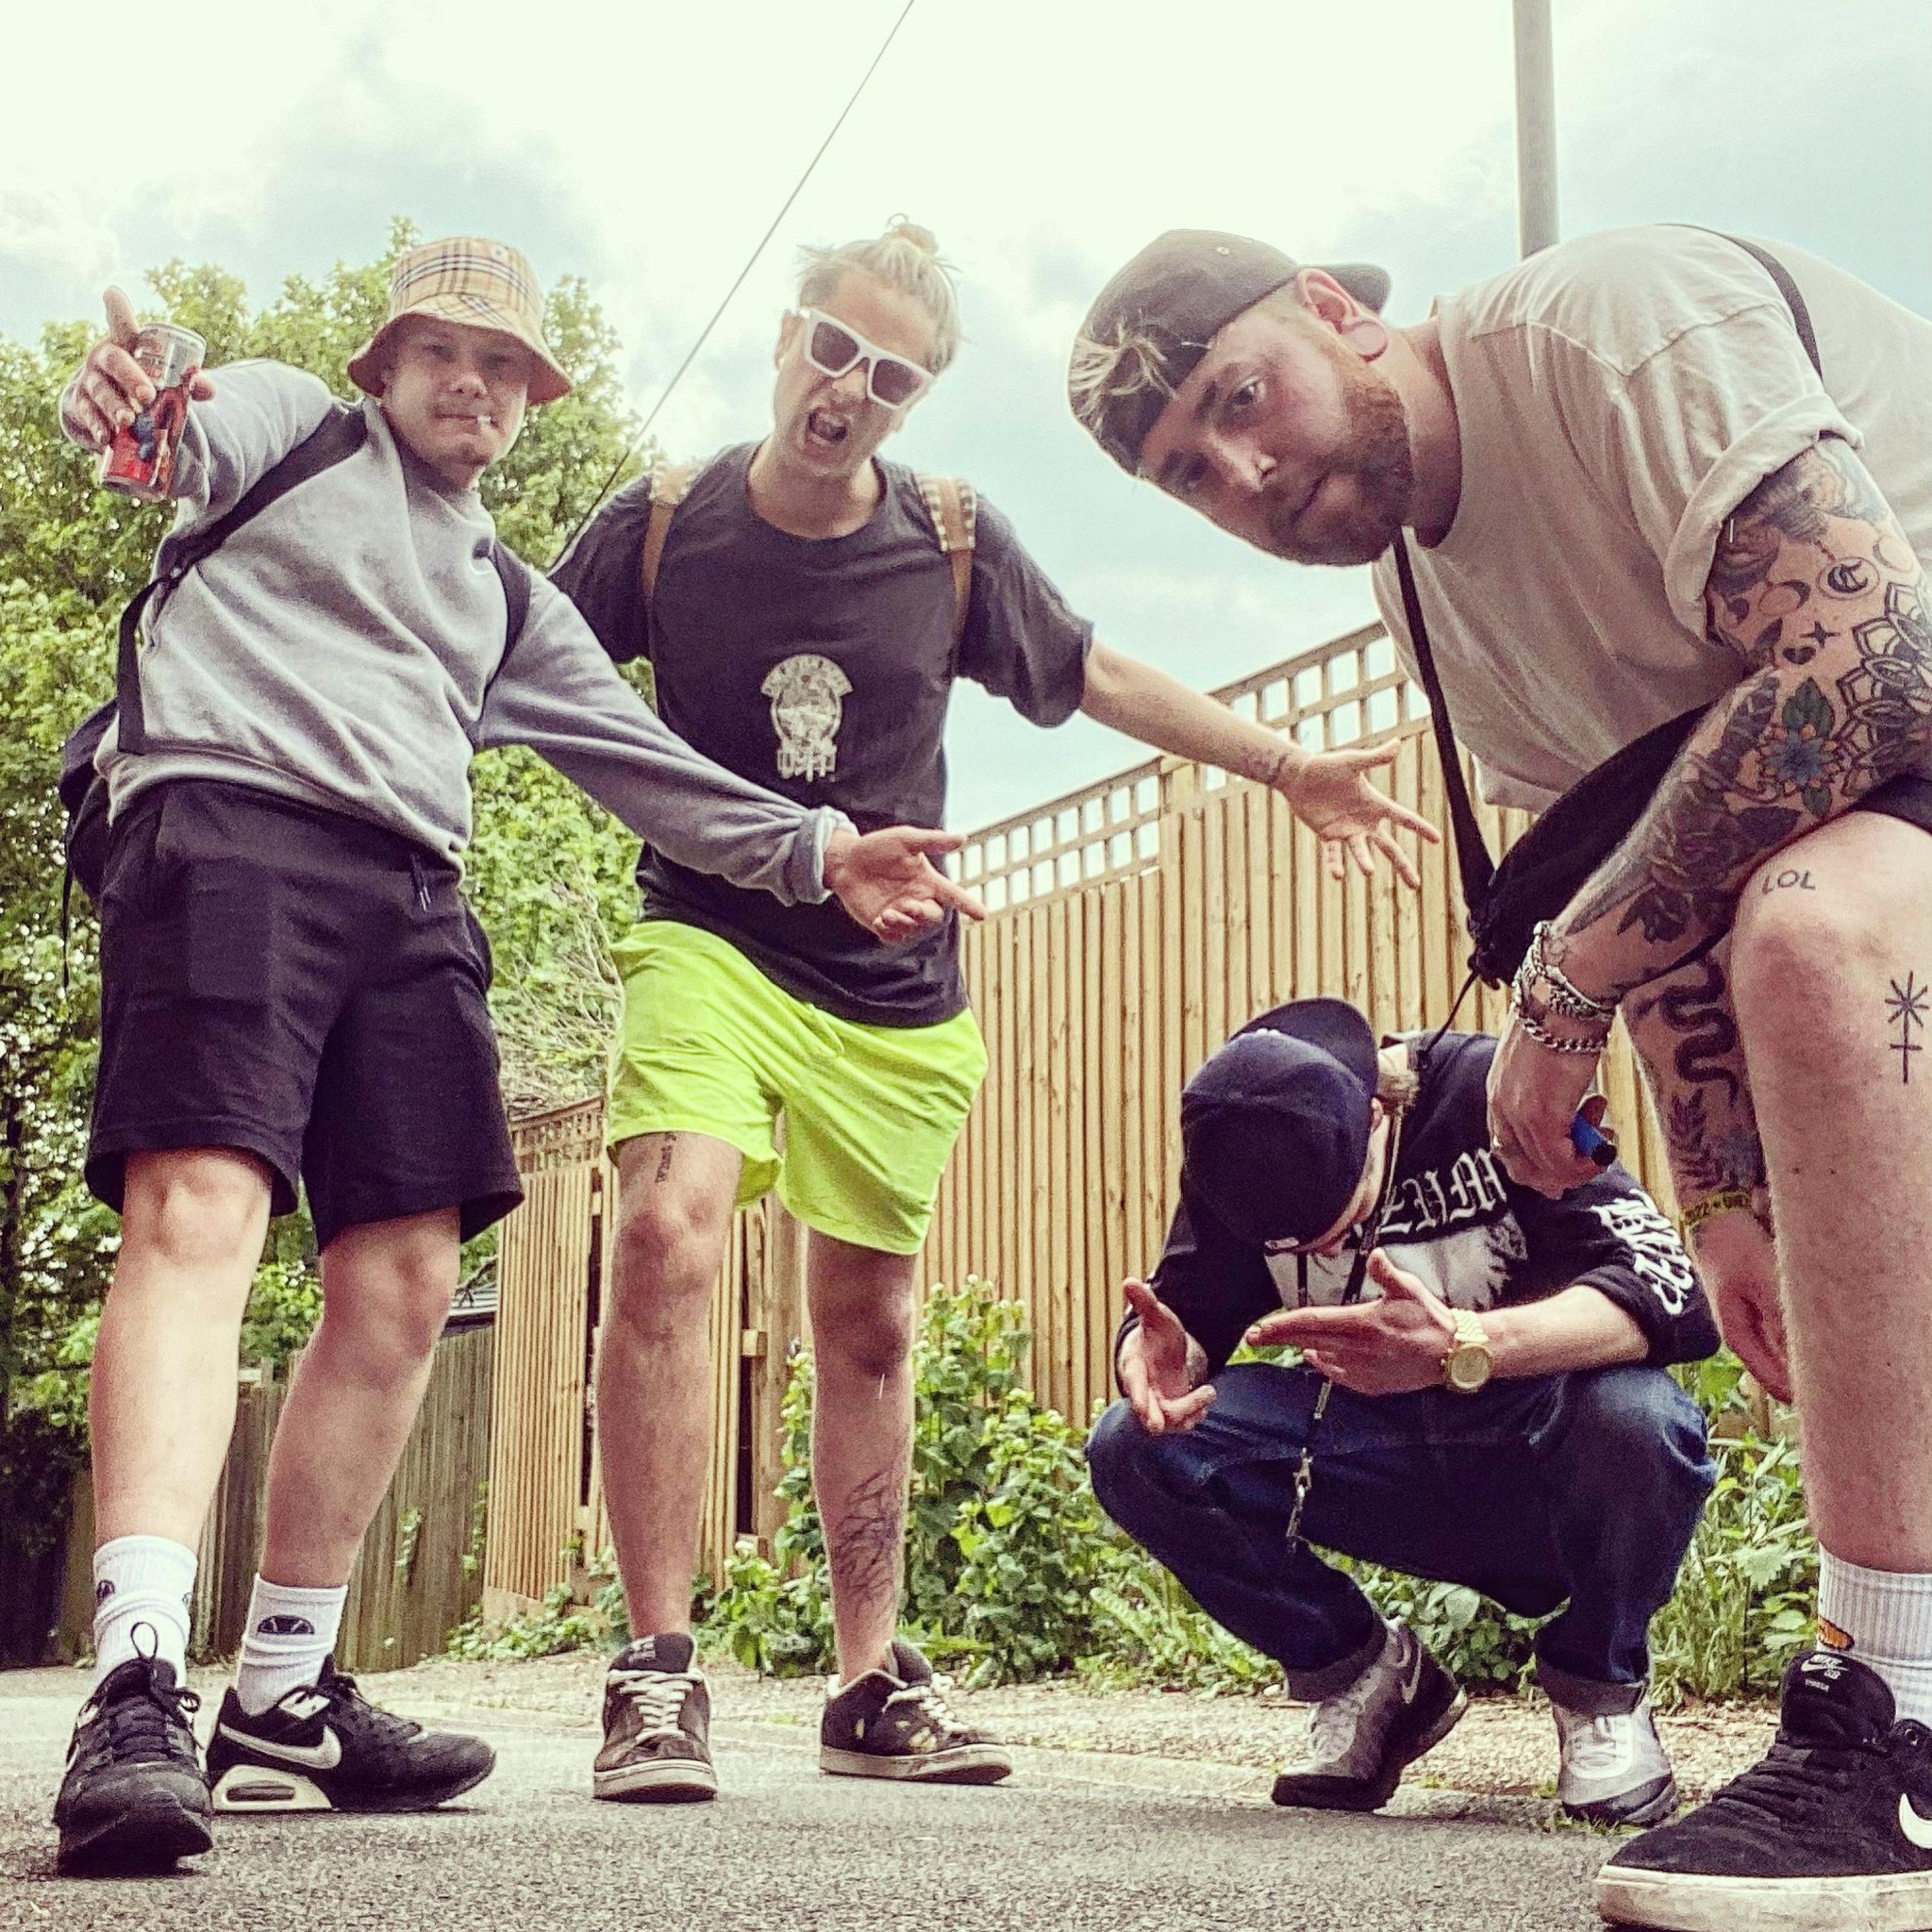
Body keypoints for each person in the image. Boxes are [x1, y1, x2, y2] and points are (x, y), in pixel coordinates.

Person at [50, 235, 975, 1876]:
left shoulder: (500, 593)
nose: (473, 384)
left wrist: (822, 851)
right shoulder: (287, 423)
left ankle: (281, 1691)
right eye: (444, 352)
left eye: (506, 368)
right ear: (384, 362)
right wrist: (136, 403)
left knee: (409, 1274)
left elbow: (643, 761)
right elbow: (170, 433)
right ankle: (134, 1678)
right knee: (203, 1208)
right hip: (226, 829)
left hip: (411, 890)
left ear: (530, 402)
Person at [1069, 223, 1932, 1929]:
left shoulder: (1606, 327)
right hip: (1835, 827)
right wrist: (1727, 1183)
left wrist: (1560, 985)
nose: (1244, 472)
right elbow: (1655, 840)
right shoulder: (1424, 604)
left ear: (1334, 309)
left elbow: (1868, 665)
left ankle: (1896, 1712)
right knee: (1779, 925)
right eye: (1187, 475)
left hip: (1899, 709)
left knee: (1807, 934)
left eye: (1240, 398)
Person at [551, 218, 1439, 1803]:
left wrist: (1286, 764)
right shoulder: (668, 522)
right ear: (787, 335)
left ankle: (866, 1676)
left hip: (895, 981)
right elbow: (518, 663)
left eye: (891, 377)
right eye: (834, 348)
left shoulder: (950, 540)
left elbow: (1094, 672)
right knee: (665, 1230)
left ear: (916, 399)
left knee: (871, 1323)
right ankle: (656, 1671)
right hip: (710, 931)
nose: (849, 390)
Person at [1087, 996, 1717, 1824]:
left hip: (1538, 1445)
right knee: (1134, 1446)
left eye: (1339, 1225)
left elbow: (1675, 1297)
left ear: (1379, 1118)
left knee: (1641, 1419)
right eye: (1290, 1250)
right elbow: (1184, 1311)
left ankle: (1601, 1688)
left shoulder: (1494, 1096)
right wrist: (1163, 1359)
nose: (1318, 1255)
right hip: (1375, 1457)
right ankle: (1366, 1676)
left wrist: (1466, 1342)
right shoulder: (1243, 1142)